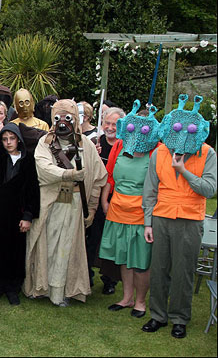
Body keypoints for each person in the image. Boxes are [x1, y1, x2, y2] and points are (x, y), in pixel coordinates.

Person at [141, 95, 217, 339]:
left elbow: (209, 189)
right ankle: (158, 316)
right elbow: (150, 190)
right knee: (159, 268)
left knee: (183, 271)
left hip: (190, 219)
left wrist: (183, 170)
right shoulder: (159, 152)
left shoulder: (207, 153)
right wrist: (148, 222)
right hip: (161, 218)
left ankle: (179, 318)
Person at [24, 99, 107, 306]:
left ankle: (61, 292)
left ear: (75, 119)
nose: (62, 122)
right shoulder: (45, 143)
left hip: (76, 203)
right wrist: (68, 173)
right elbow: (43, 168)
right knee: (48, 245)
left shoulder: (86, 145)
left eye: (67, 118)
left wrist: (93, 208)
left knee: (67, 248)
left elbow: (98, 178)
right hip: (51, 202)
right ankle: (42, 287)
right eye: (58, 118)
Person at [99, 100, 161, 319]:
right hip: (117, 209)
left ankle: (141, 301)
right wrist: (105, 201)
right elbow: (109, 176)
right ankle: (126, 298)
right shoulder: (119, 145)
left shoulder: (157, 151)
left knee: (141, 261)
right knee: (123, 257)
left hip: (141, 212)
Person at [0, 121, 40, 306]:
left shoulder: (28, 161)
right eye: (5, 139)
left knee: (15, 252)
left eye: (12, 138)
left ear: (18, 140)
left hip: (17, 214)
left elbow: (32, 190)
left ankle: (12, 288)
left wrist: (28, 215)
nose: (8, 142)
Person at [88, 106, 126, 295]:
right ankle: (87, 275)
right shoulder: (95, 142)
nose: (110, 127)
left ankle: (110, 279)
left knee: (112, 241)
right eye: (107, 123)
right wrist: (92, 155)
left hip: (115, 198)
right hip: (94, 197)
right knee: (91, 239)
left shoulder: (125, 145)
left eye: (115, 124)